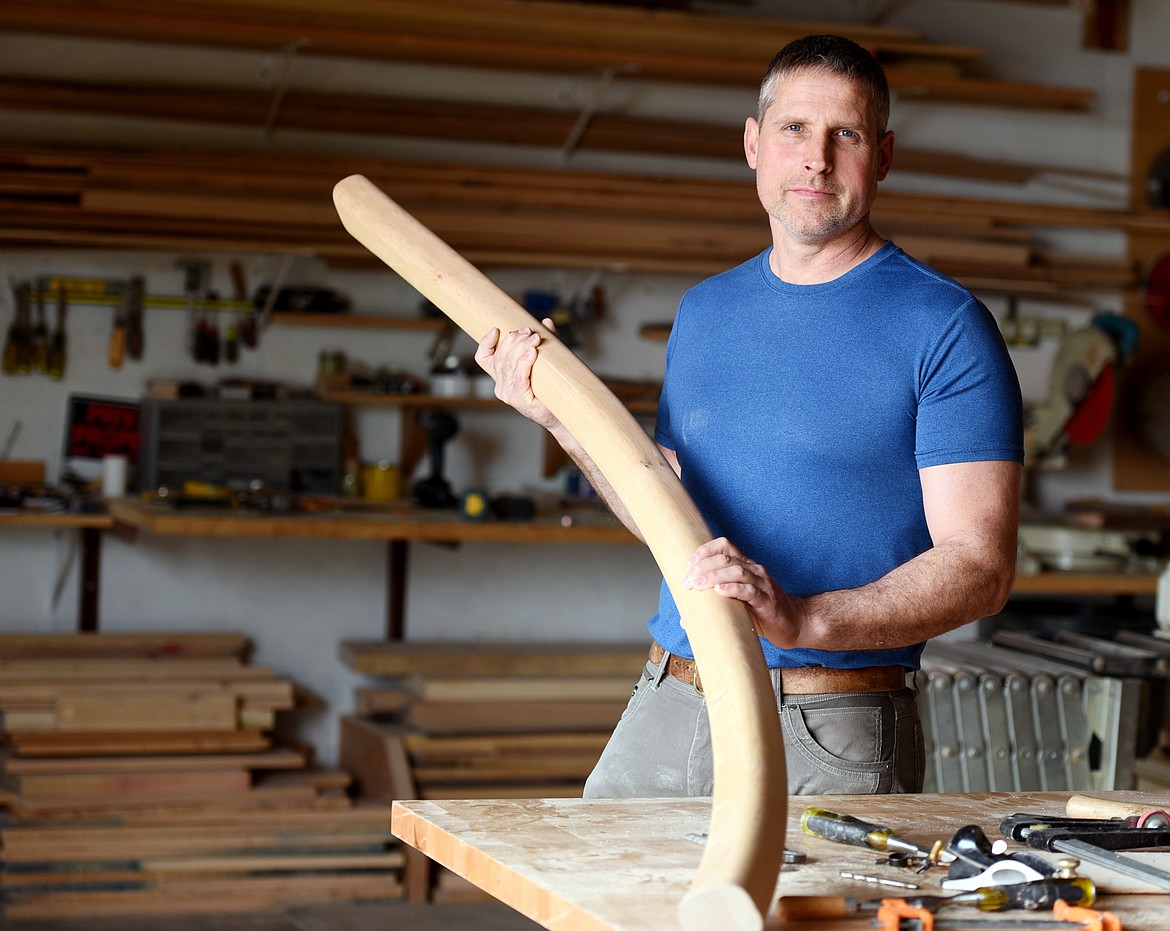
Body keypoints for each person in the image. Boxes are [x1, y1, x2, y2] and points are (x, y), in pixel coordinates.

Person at [474, 34, 1023, 796]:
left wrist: (804, 620)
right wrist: (560, 420)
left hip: (829, 724)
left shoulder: (946, 325)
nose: (816, 159)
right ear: (752, 144)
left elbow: (980, 568)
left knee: (804, 921)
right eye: (794, 129)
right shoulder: (705, 311)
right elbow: (666, 516)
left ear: (885, 155)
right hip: (671, 693)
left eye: (847, 134)